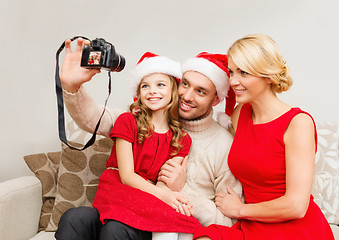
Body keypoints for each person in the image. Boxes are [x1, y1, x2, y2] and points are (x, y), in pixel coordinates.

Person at [55, 38, 242, 240]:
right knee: (75, 218)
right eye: (185, 84)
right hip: (123, 205)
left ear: (215, 99)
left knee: (116, 230)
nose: (187, 96)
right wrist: (71, 87)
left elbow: (228, 219)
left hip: (159, 222)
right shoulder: (141, 118)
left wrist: (181, 191)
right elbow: (94, 118)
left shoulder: (223, 144)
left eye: (200, 91)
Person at [193, 34, 335, 240]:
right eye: (231, 72)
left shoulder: (298, 123)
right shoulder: (240, 113)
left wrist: (239, 210)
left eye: (244, 72)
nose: (233, 81)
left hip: (294, 229)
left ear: (268, 75)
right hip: (253, 226)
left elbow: (296, 206)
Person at [92, 51, 201, 239]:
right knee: (172, 216)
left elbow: (166, 182)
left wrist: (171, 198)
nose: (152, 91)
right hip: (119, 187)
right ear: (139, 93)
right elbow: (126, 175)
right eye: (145, 86)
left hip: (151, 193)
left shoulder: (182, 138)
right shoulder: (127, 121)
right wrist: (165, 197)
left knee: (184, 220)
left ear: (173, 91)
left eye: (160, 85)